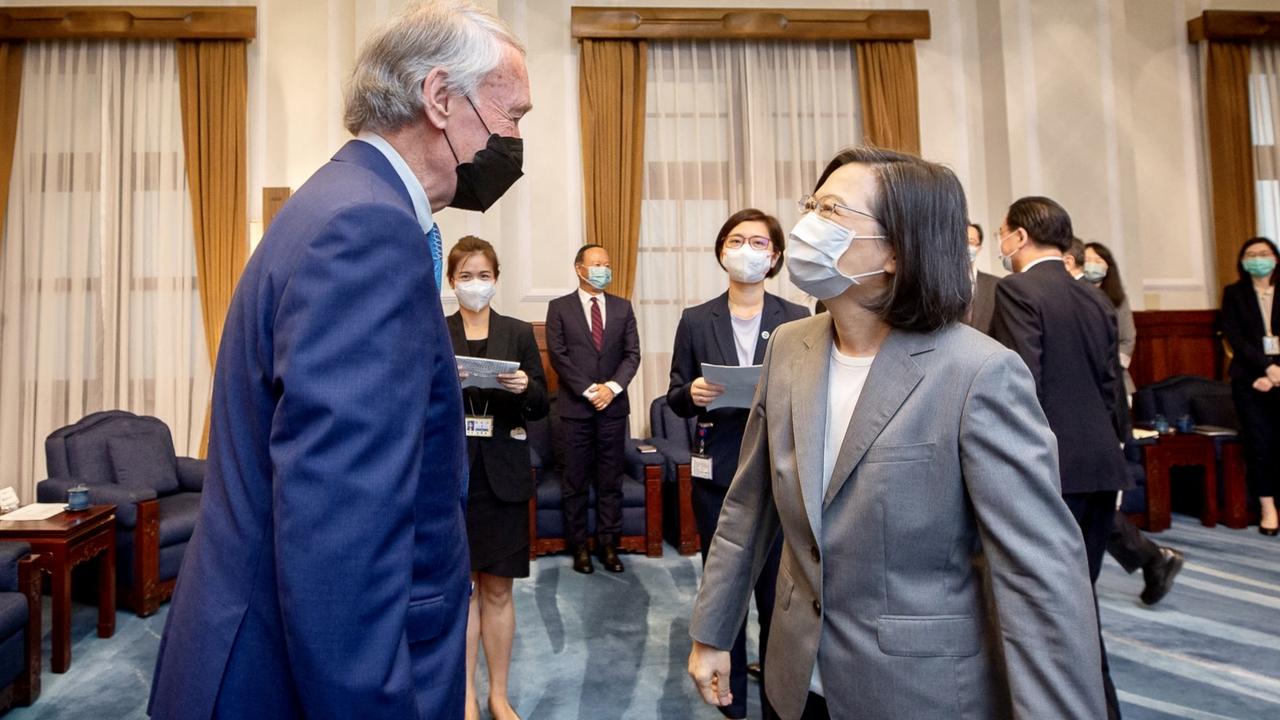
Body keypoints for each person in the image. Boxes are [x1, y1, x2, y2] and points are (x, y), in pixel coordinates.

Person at [149, 3, 532, 718]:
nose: (515, 140)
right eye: (513, 116)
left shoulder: (340, 201)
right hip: (293, 673)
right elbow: (340, 530)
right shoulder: (368, 228)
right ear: (441, 99)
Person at [688, 148, 1104, 720]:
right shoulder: (791, 348)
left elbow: (1041, 576)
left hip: (917, 689)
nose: (810, 224)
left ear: (897, 251)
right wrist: (713, 631)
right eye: (813, 204)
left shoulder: (979, 372)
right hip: (793, 682)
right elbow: (748, 508)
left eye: (832, 210)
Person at [990, 196, 1131, 720]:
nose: (1003, 243)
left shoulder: (1017, 290)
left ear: (1020, 237)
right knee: (1081, 594)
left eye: (1004, 233)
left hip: (1051, 469)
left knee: (1050, 603)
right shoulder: (1094, 297)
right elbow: (1111, 386)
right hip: (1101, 465)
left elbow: (1022, 384)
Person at [667, 208, 808, 720]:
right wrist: (694, 393)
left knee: (779, 595)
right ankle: (733, 700)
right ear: (722, 250)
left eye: (757, 242)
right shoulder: (695, 318)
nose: (746, 249)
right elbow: (674, 395)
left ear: (774, 256)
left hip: (782, 469)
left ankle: (778, 698)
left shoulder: (797, 318)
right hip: (719, 467)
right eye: (735, 239)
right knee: (725, 587)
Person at [445, 237, 547, 720]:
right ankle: (464, 694)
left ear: (496, 279)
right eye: (466, 276)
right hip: (452, 476)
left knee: (499, 589)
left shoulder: (518, 331)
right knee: (463, 588)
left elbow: (542, 404)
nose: (475, 284)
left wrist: (526, 386)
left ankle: (498, 694)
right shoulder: (436, 331)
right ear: (451, 282)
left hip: (504, 473)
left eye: (483, 275)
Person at [1078, 241, 1185, 603]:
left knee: (1088, 500)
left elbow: (1119, 352)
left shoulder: (1103, 301)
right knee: (1087, 501)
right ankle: (1153, 558)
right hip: (1083, 413)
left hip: (1100, 407)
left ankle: (1151, 558)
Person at [545, 245, 641, 573]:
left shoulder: (623, 308)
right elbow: (559, 356)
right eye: (597, 264)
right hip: (575, 409)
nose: (603, 269)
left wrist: (611, 389)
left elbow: (632, 355)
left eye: (607, 263)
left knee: (610, 479)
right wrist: (589, 390)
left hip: (613, 409)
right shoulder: (559, 308)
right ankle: (579, 546)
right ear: (579, 268)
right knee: (574, 480)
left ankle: (608, 544)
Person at [1221, 237, 1280, 536]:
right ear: (1243, 262)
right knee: (1260, 445)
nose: (1258, 258)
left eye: (1264, 253)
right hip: (1250, 380)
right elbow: (1235, 336)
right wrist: (1266, 369)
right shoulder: (1235, 294)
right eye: (1251, 254)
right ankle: (1267, 508)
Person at [964, 221, 1000, 334]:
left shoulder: (996, 285)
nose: (966, 246)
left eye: (971, 241)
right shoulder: (941, 286)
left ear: (979, 247)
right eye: (961, 241)